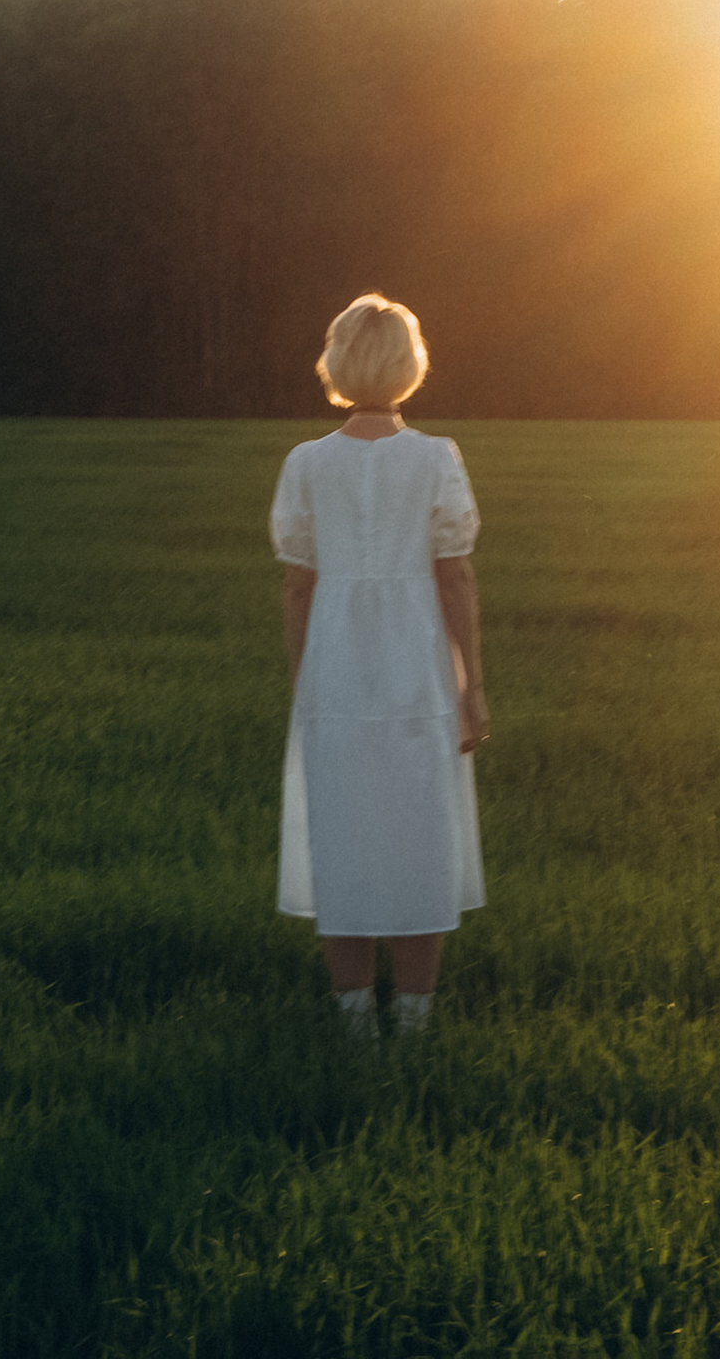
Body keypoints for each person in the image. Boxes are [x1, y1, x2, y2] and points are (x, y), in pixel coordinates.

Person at [270, 291, 487, 1040]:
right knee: (420, 835)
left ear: (337, 362)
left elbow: (299, 582)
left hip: (335, 667)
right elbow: (454, 576)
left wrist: (305, 680)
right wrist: (474, 689)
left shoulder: (306, 463)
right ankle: (417, 1024)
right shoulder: (436, 458)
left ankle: (357, 1027)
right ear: (408, 366)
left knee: (344, 839)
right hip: (419, 667)